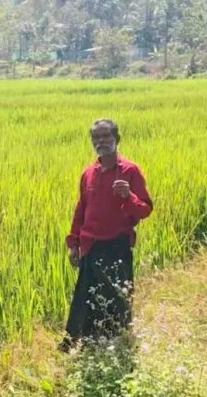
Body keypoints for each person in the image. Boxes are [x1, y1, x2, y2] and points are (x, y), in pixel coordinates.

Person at [62, 119, 153, 350]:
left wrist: (128, 196)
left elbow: (145, 209)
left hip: (117, 245)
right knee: (86, 296)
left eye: (106, 137)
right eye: (96, 138)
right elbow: (81, 209)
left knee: (117, 296)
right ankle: (83, 340)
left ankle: (117, 342)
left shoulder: (130, 171)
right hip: (90, 245)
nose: (101, 142)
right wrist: (73, 243)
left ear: (117, 140)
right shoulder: (88, 174)